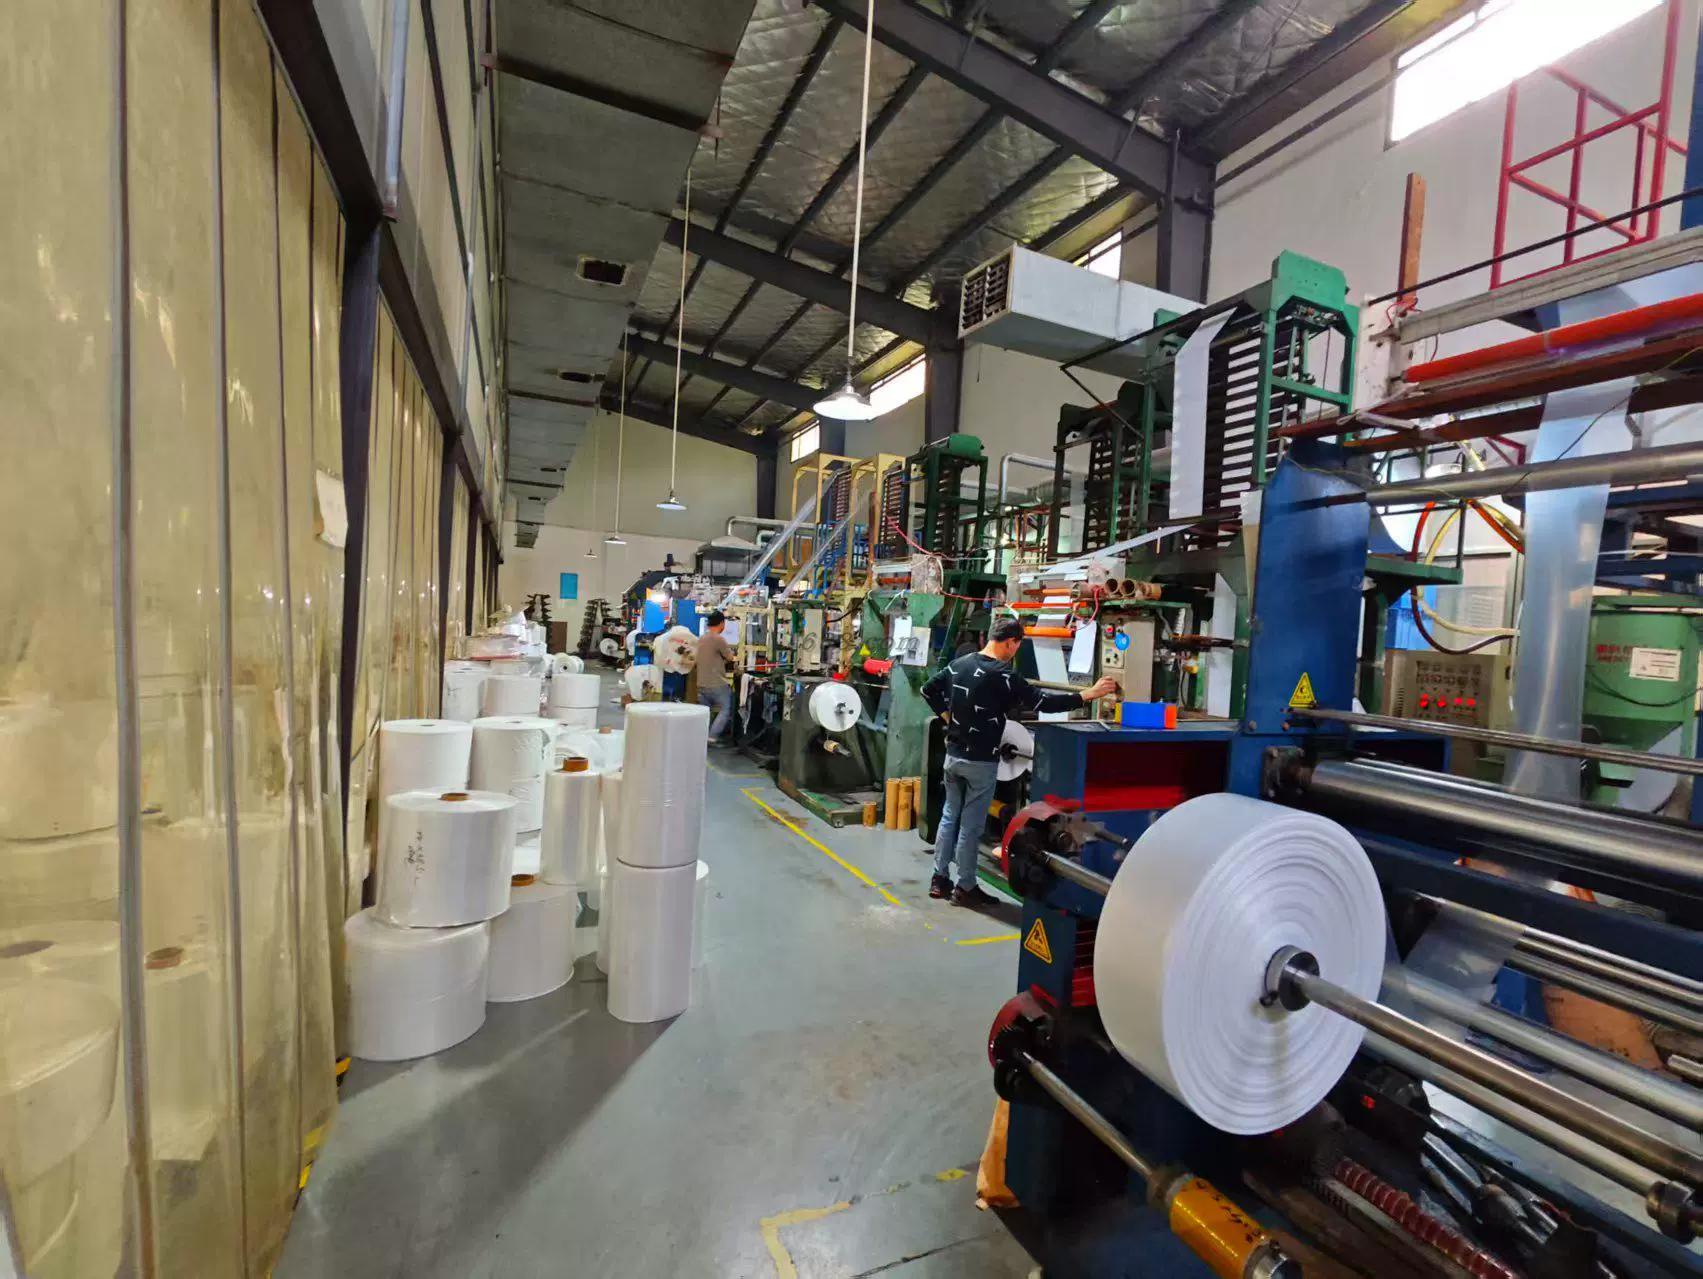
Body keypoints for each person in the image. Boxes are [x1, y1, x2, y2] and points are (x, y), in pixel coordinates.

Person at [921, 616, 1117, 907]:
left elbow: (928, 690)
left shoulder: (959, 664)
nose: (1015, 651)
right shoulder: (1004, 675)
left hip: (954, 757)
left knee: (950, 816)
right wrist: (1088, 694)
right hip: (980, 763)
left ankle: (939, 879)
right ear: (1011, 642)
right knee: (970, 827)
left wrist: (949, 719)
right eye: (1016, 645)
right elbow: (1043, 703)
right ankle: (965, 886)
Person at [696, 610, 735, 743]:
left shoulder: (701, 639)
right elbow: (730, 657)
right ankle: (712, 736)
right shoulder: (719, 639)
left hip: (702, 683)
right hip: (716, 683)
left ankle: (702, 736)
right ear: (722, 623)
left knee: (706, 712)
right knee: (726, 708)